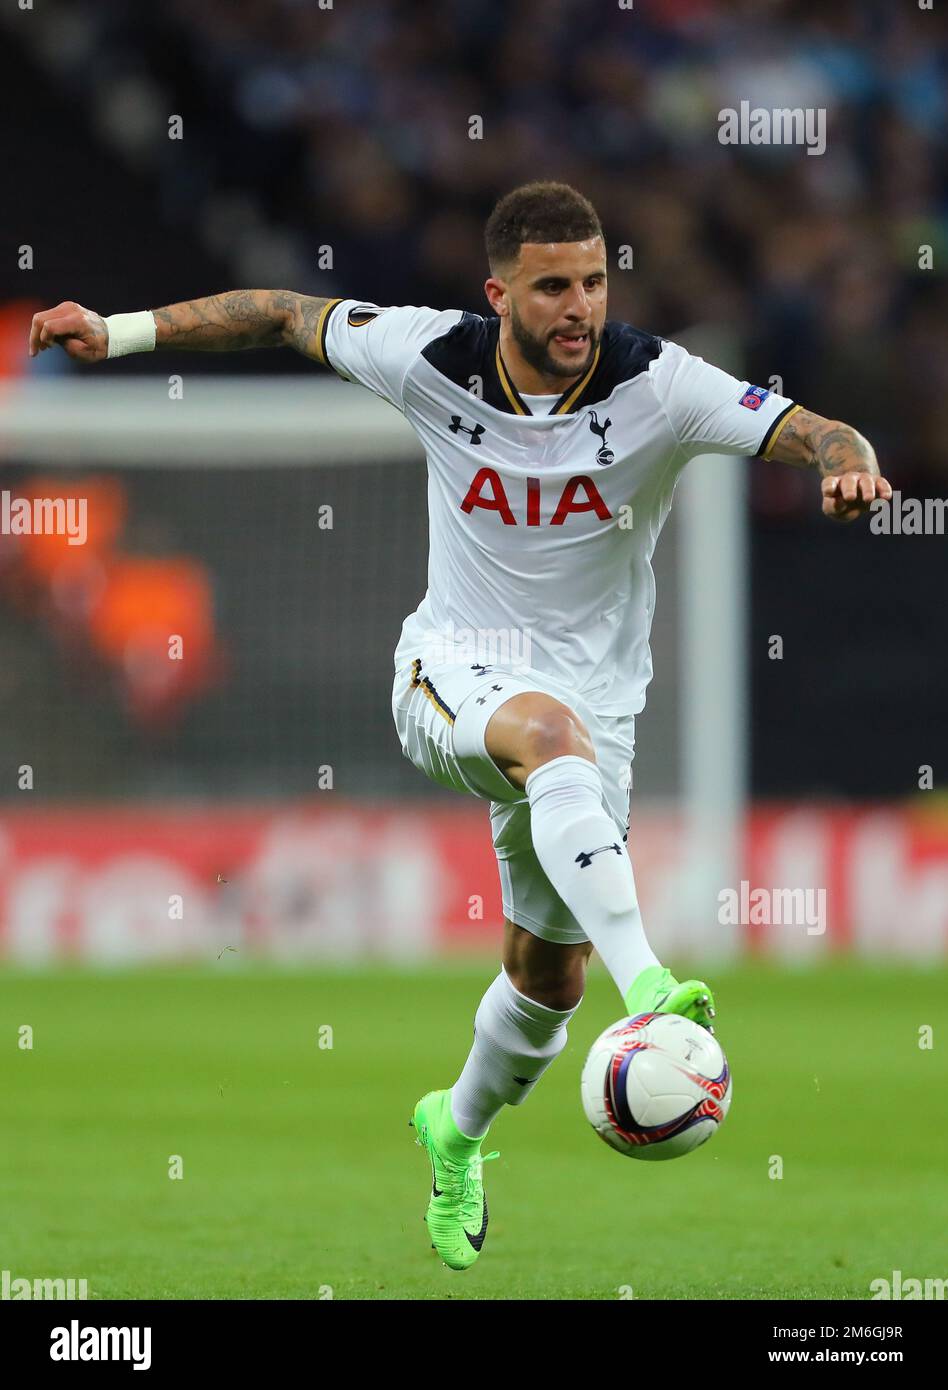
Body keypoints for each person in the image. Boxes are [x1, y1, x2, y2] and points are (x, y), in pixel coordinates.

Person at [29, 180, 891, 1272]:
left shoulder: (660, 386)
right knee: (548, 741)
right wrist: (119, 331)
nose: (577, 307)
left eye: (590, 281)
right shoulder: (429, 355)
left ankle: (457, 1130)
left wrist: (846, 462)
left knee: (543, 978)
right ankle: (655, 990)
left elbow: (812, 428)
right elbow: (279, 313)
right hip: (448, 673)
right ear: (500, 293)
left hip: (592, 715)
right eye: (550, 287)